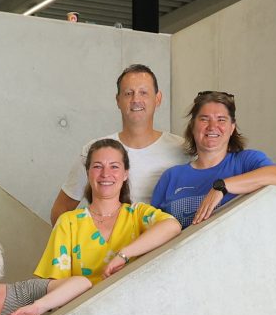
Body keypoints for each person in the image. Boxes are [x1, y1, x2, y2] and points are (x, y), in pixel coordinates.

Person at [49, 64, 190, 220]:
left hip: (168, 234)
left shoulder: (183, 149)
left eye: (143, 93)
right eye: (128, 93)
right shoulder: (95, 151)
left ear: (158, 99)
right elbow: (61, 209)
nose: (136, 99)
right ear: (118, 100)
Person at [36, 139, 180, 281]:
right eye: (98, 166)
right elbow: (53, 284)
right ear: (88, 172)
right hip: (84, 297)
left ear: (125, 174)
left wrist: (124, 255)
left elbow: (172, 226)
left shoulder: (137, 214)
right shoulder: (68, 222)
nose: (105, 173)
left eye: (114, 166)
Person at [149, 90, 276, 226]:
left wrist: (222, 187)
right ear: (192, 126)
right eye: (204, 119)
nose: (212, 126)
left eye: (221, 120)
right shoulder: (171, 177)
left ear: (232, 128)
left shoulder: (246, 161)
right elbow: (150, 226)